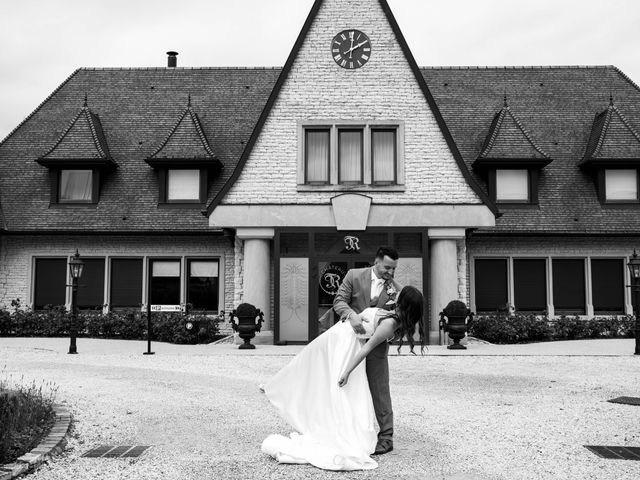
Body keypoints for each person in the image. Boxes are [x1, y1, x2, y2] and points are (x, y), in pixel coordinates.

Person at [261, 285, 425, 471]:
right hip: (339, 335)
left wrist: (347, 371)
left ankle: (284, 391)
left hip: (344, 342)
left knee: (322, 372)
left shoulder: (389, 324)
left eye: (400, 295)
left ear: (403, 303)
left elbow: (366, 348)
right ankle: (277, 385)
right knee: (307, 361)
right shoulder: (390, 313)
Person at [332, 245, 401, 455]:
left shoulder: (396, 290)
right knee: (345, 385)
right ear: (377, 261)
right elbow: (339, 301)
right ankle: (344, 430)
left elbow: (397, 323)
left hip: (376, 347)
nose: (390, 273)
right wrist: (351, 316)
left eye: (393, 269)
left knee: (380, 389)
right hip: (347, 342)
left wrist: (388, 333)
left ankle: (387, 437)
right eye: (387, 267)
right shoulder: (353, 275)